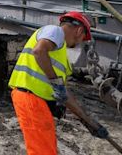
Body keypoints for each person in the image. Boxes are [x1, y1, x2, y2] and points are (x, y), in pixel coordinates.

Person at [9, 11, 109, 155]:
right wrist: (56, 83)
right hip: (30, 98)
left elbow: (64, 93)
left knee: (46, 149)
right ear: (79, 30)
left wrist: (89, 122)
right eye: (83, 38)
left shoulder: (60, 53)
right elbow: (39, 51)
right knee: (43, 151)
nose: (80, 42)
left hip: (36, 101)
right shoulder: (55, 31)